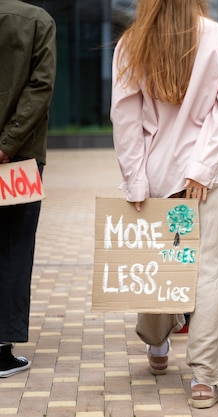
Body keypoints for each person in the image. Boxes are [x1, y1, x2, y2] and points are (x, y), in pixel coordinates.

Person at [110, 0, 218, 408]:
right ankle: (204, 376)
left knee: (159, 261)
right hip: (208, 178)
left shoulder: (133, 43)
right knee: (210, 269)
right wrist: (201, 167)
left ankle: (156, 341)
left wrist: (135, 180)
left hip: (155, 174)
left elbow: (125, 115)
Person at [0, 0, 56, 378]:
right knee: (14, 249)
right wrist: (7, 143)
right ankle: (1, 349)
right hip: (19, 160)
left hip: (17, 154)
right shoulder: (37, 20)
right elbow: (40, 86)